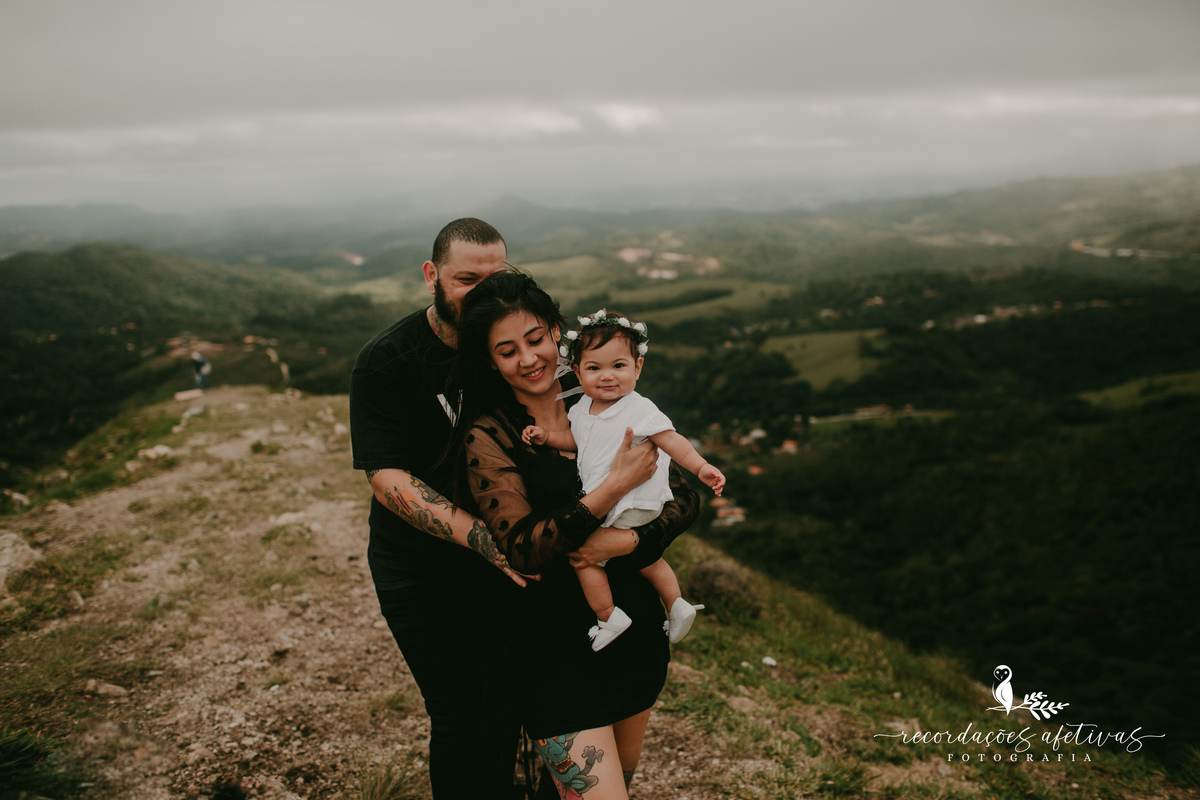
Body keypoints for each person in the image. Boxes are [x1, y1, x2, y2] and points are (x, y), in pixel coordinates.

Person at [349, 220, 690, 800]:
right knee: (471, 720)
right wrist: (494, 542)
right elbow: (388, 478)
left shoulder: (569, 378)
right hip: (431, 568)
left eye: (495, 277)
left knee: (541, 734)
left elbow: (671, 481)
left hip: (565, 585)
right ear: (432, 277)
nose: (482, 292)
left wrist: (628, 541)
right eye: (466, 279)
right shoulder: (392, 363)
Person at [446, 272, 700, 799]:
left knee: (600, 787)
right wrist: (612, 490)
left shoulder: (610, 403)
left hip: (633, 639)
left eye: (536, 339)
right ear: (492, 361)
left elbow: (683, 496)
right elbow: (522, 546)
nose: (529, 358)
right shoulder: (490, 434)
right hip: (551, 651)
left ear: (557, 334)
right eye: (507, 350)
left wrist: (629, 542)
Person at [521, 309, 725, 651]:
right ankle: (677, 604)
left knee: (583, 556)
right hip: (614, 499)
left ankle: (609, 616)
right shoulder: (581, 408)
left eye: (618, 366)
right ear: (577, 371)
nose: (607, 377)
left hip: (631, 500)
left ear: (638, 368)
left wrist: (701, 466)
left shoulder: (638, 408)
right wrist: (547, 438)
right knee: (645, 559)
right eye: (594, 368)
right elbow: (578, 442)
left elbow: (670, 439)